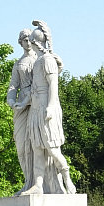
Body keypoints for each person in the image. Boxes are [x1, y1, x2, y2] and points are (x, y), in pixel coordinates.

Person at [21, 20, 76, 195]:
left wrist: (51, 107)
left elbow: (54, 84)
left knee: (52, 149)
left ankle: (67, 177)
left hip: (46, 108)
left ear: (35, 42)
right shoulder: (38, 62)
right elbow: (35, 88)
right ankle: (37, 185)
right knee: (37, 148)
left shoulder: (47, 60)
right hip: (36, 109)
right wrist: (23, 104)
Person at [6, 29, 36, 195]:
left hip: (36, 102)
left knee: (36, 144)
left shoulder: (39, 59)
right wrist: (11, 100)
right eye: (25, 40)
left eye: (30, 39)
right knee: (21, 146)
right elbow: (13, 85)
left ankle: (38, 183)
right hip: (21, 104)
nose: (28, 42)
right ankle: (28, 182)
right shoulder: (18, 63)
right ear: (20, 42)